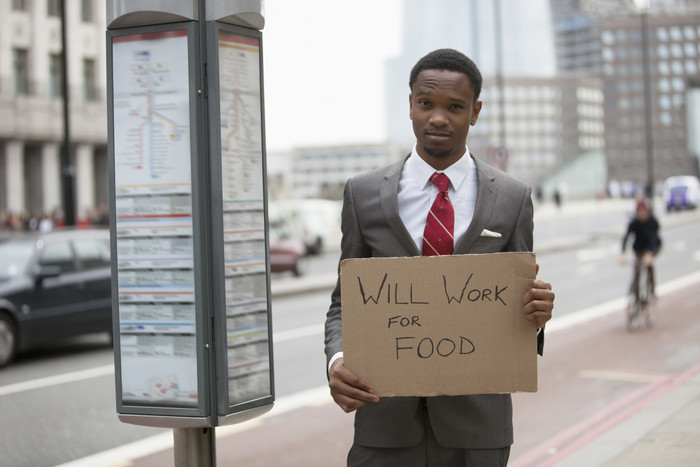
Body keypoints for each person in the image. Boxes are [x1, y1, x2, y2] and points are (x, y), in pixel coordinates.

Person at [324, 49, 555, 466]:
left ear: (475, 112)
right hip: (385, 423)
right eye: (426, 103)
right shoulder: (362, 195)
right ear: (410, 104)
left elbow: (517, 313)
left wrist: (535, 314)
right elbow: (344, 304)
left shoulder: (512, 198)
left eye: (455, 107)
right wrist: (338, 361)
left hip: (478, 430)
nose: (438, 118)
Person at [620, 198, 661, 295]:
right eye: (639, 211)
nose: (642, 213)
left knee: (649, 265)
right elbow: (626, 237)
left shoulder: (653, 222)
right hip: (638, 247)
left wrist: (650, 254)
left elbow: (653, 238)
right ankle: (636, 293)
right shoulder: (633, 223)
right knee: (637, 268)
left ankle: (652, 290)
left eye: (644, 210)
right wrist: (623, 252)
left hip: (652, 247)